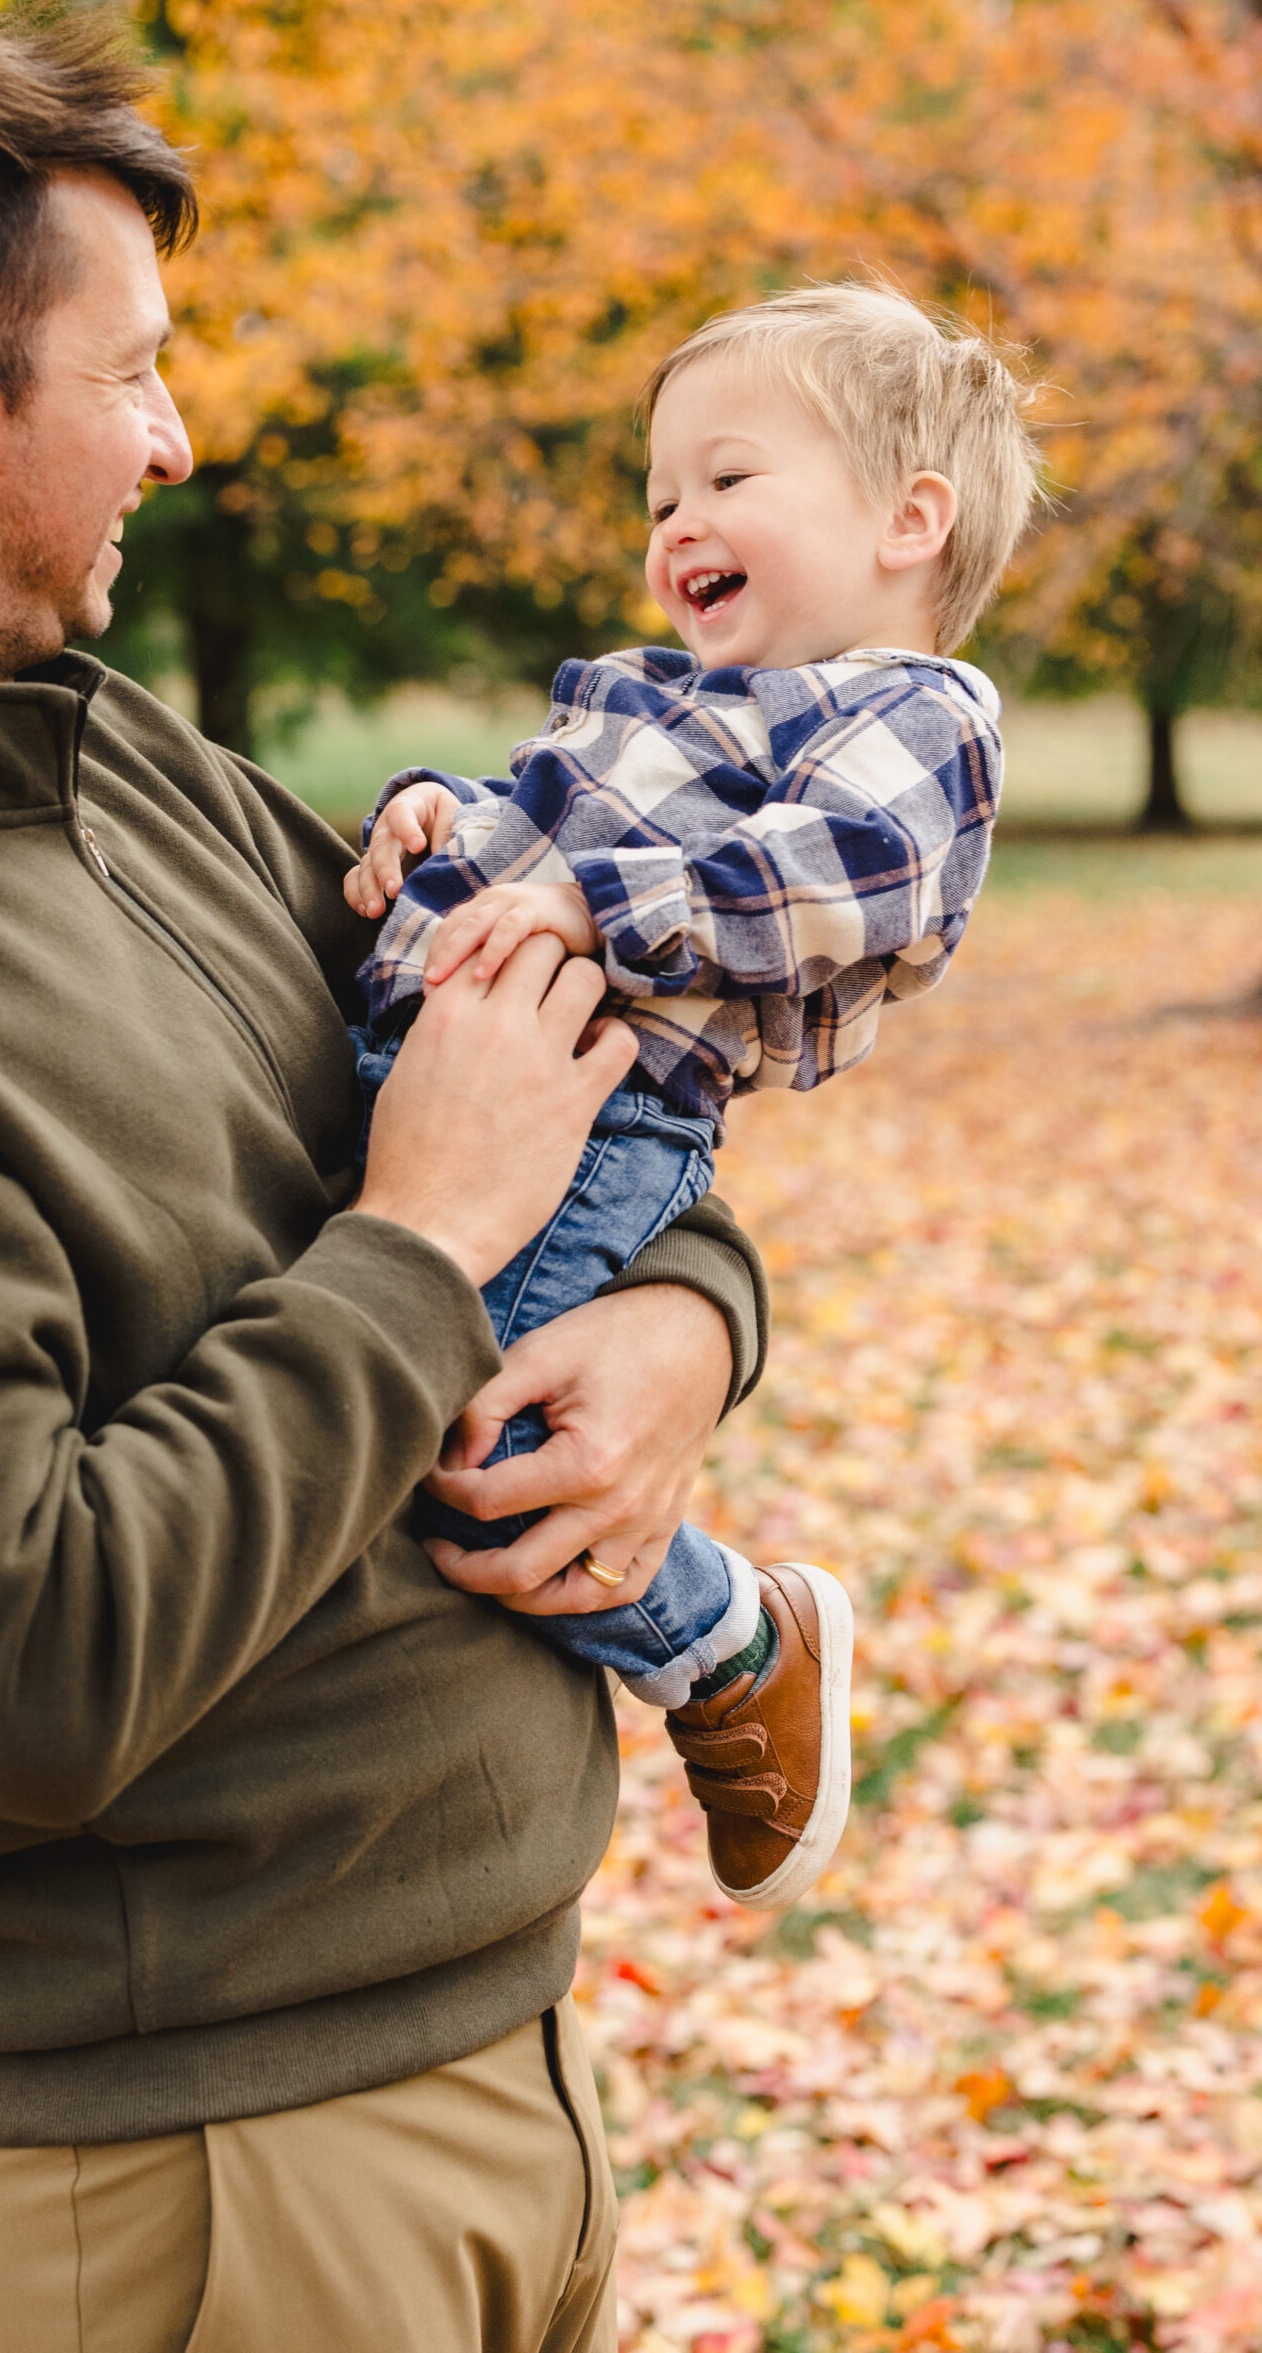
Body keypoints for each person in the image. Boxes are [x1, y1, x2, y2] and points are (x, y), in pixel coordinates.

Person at [0, 2, 772, 2353]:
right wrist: (417, 1244)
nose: (178, 436)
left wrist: (685, 1320)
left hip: (492, 2051)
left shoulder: (120, 760)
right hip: (199, 2164)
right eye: (129, 371)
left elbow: (546, 1086)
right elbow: (26, 1663)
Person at [345, 285, 1037, 1907]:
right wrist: (422, 815)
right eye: (662, 495)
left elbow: (854, 876)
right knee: (378, 1386)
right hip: (436, 1077)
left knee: (471, 1456)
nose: (679, 523)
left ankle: (728, 1641)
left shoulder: (911, 720)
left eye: (728, 481)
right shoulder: (652, 697)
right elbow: (520, 809)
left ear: (904, 519)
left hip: (599, 1117)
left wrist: (598, 907)